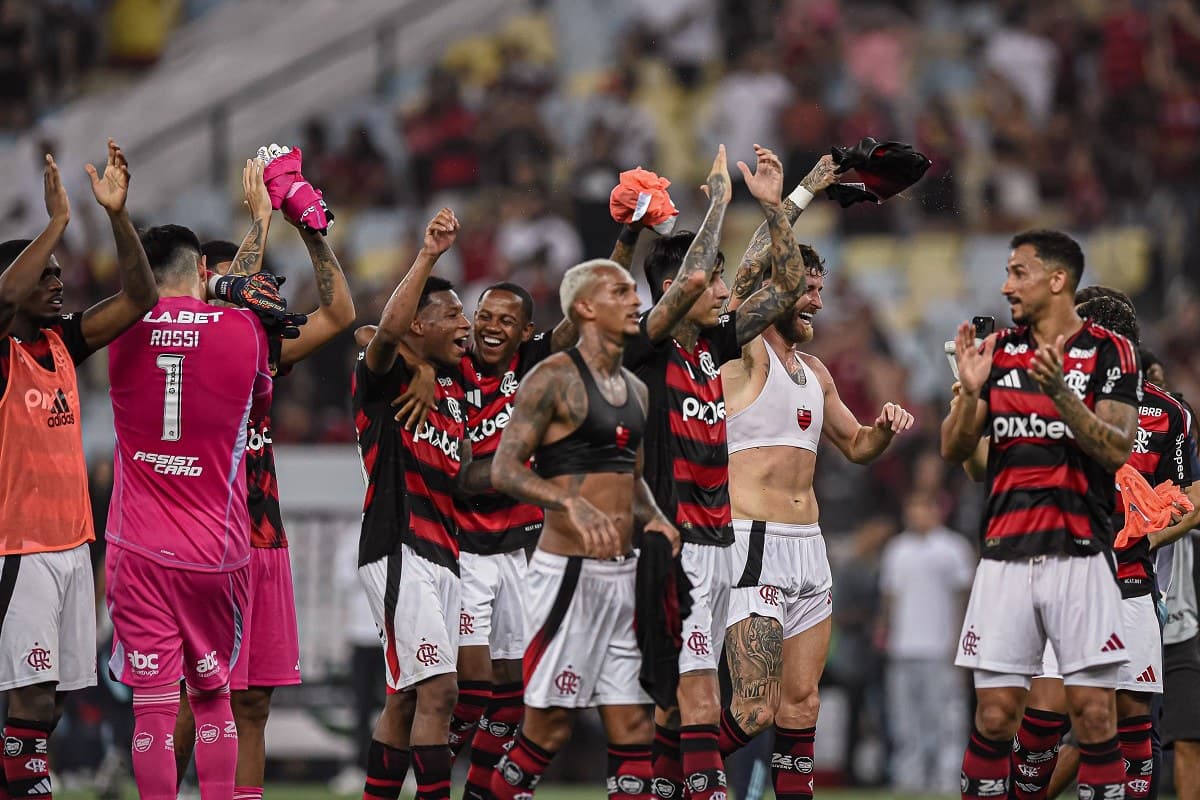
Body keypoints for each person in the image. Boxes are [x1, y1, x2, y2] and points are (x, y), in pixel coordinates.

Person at [619, 145, 840, 800]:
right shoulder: (648, 347)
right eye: (709, 280)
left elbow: (778, 288)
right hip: (679, 541)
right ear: (676, 287)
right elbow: (716, 285)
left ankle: (659, 786)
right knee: (692, 700)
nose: (722, 291)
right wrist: (719, 203)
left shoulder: (709, 350)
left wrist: (779, 208)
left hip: (719, 541)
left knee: (708, 702)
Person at [170, 158, 356, 799]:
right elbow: (224, 308)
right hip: (202, 533)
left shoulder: (260, 348)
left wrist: (309, 226)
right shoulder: (181, 340)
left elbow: (339, 316)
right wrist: (259, 221)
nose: (255, 297)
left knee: (253, 706)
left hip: (263, 534)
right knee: (198, 697)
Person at [941, 230, 1141, 800]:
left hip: (1080, 552)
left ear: (1057, 280)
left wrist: (1063, 397)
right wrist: (967, 395)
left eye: (1018, 272)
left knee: (1095, 716)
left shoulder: (1110, 352)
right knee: (997, 717)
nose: (1006, 286)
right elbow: (956, 452)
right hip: (1005, 553)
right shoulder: (998, 351)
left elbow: (1117, 448)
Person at [715, 228, 914, 800]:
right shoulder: (745, 357)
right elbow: (748, 280)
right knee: (753, 710)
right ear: (777, 292)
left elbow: (856, 447)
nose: (818, 303)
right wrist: (786, 203)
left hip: (809, 546)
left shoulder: (815, 372)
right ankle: (669, 774)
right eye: (807, 290)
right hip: (754, 541)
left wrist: (881, 430)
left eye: (821, 290)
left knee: (801, 703)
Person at [104, 220, 290, 799]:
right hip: (216, 550)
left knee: (154, 708)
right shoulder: (244, 331)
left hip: (137, 547)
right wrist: (258, 222)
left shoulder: (119, 327)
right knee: (212, 699)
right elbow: (259, 400)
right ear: (204, 272)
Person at [488, 258, 681, 800]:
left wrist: (658, 521)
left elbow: (632, 479)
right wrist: (566, 503)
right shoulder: (551, 377)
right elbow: (504, 469)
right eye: (620, 290)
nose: (635, 299)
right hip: (566, 576)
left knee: (634, 730)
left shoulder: (636, 390)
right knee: (548, 728)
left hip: (624, 577)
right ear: (586, 308)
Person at [0, 141, 157, 800]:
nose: (58, 280)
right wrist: (57, 222)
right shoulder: (4, 352)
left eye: (61, 270)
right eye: (47, 273)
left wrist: (116, 218)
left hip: (71, 546)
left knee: (52, 701)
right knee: (29, 694)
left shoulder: (63, 343)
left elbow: (141, 297)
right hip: (21, 547)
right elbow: (3, 292)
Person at [1005, 294, 1198, 800]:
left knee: (1132, 721)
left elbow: (1190, 495)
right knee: (1046, 714)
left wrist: (1148, 532)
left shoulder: (1168, 415)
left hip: (1131, 585)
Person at [352, 208, 479, 800]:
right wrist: (428, 255)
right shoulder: (384, 380)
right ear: (418, 326)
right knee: (440, 692)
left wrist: (425, 362)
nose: (467, 321)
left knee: (405, 696)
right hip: (399, 543)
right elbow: (373, 337)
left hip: (442, 552)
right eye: (452, 313)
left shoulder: (453, 385)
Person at [449, 278, 581, 800]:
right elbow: (375, 336)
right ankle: (431, 779)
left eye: (506, 320)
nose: (491, 327)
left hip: (517, 549)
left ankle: (482, 793)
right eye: (485, 315)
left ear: (526, 331)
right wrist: (415, 369)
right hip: (461, 547)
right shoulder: (448, 360)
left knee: (512, 693)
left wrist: (630, 235)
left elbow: (577, 322)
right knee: (469, 691)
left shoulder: (534, 364)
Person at [879, 494, 976, 793]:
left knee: (946, 717)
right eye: (913, 508)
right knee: (904, 718)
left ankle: (947, 777)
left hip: (940, 647)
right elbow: (890, 596)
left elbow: (965, 598)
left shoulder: (953, 548)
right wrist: (886, 630)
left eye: (923, 508)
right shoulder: (896, 550)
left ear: (937, 511)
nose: (917, 514)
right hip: (903, 647)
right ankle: (909, 776)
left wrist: (958, 641)